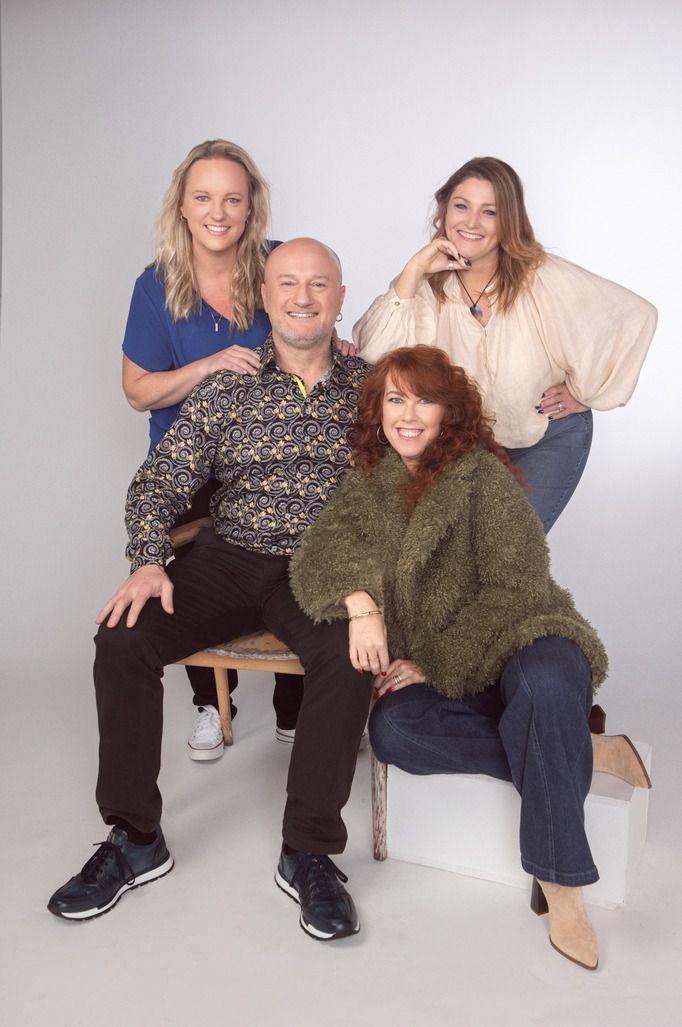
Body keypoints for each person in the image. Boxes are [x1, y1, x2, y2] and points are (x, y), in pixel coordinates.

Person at [48, 239, 371, 941]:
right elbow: (160, 481)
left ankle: (309, 850)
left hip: (321, 567)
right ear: (266, 297)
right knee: (123, 636)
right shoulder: (228, 385)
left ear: (341, 298)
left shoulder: (373, 390)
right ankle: (136, 838)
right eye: (288, 283)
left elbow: (414, 483)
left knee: (350, 654)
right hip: (229, 556)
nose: (303, 297)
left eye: (319, 284)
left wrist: (372, 591)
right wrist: (148, 559)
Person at [290, 345, 652, 970]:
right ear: (377, 410)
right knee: (394, 730)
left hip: (523, 636)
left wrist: (433, 662)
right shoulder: (367, 482)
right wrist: (359, 601)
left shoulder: (482, 475)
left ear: (448, 412)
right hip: (454, 674)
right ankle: (580, 747)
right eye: (395, 400)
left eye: (424, 400)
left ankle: (562, 885)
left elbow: (518, 587)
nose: (408, 416)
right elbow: (315, 558)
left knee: (543, 687)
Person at [353, 157, 657, 532]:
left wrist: (587, 393)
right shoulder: (426, 285)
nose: (471, 222)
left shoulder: (540, 276)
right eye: (461, 206)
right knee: (460, 552)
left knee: (510, 548)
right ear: (445, 209)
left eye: (490, 212)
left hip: (545, 438)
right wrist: (413, 270)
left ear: (508, 220)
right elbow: (374, 352)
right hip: (461, 444)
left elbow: (633, 315)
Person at [121, 139, 304, 758]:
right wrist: (208, 366)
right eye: (203, 197)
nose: (217, 212)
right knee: (184, 562)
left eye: (232, 198)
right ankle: (210, 702)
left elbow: (313, 338)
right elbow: (138, 391)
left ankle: (294, 704)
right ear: (182, 205)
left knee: (305, 535)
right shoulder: (156, 285)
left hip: (270, 456)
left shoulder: (279, 262)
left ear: (251, 207)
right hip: (190, 461)